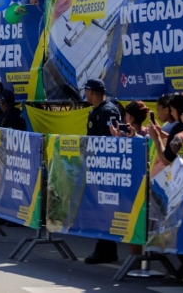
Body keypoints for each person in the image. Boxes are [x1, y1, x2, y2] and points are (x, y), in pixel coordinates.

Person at [83, 78, 121, 264]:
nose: (84, 94)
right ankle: (104, 248)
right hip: (97, 166)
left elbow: (111, 143)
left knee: (105, 207)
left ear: (91, 92)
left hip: (107, 168)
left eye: (85, 91)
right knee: (99, 207)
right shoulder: (97, 110)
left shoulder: (108, 111)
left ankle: (106, 250)